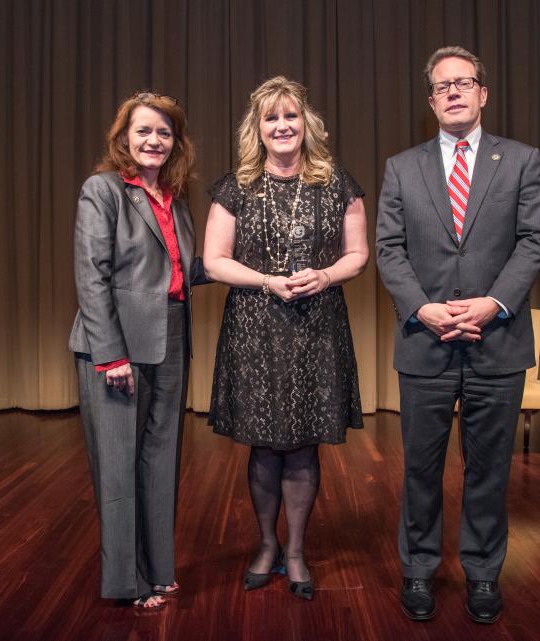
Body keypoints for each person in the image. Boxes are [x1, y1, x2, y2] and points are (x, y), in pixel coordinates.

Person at [376, 46, 540, 624]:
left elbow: (533, 241)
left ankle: (482, 575)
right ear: (431, 100)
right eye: (442, 85)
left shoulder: (521, 161)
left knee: (489, 469)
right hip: (425, 342)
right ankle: (420, 571)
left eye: (464, 82)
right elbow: (389, 249)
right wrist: (423, 309)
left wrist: (493, 304)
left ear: (482, 94)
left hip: (497, 344)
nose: (453, 91)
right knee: (420, 469)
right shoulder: (402, 167)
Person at [203, 76, 368, 601]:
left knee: (302, 445)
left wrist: (325, 275)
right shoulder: (235, 187)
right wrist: (267, 280)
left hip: (318, 326)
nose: (282, 126)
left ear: (306, 124)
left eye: (290, 116)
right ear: (258, 128)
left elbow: (359, 254)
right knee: (264, 442)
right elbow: (214, 261)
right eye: (271, 118)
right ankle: (267, 544)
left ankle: (295, 550)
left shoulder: (339, 183)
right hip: (255, 329)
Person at [69, 91, 201, 610]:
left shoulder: (175, 196)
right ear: (124, 137)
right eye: (144, 130)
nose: (154, 140)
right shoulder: (101, 190)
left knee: (161, 460)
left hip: (171, 336)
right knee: (119, 465)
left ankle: (159, 568)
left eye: (164, 132)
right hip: (116, 344)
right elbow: (91, 276)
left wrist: (261, 271)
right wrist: (110, 355)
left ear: (176, 142)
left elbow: (189, 270)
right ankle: (127, 582)